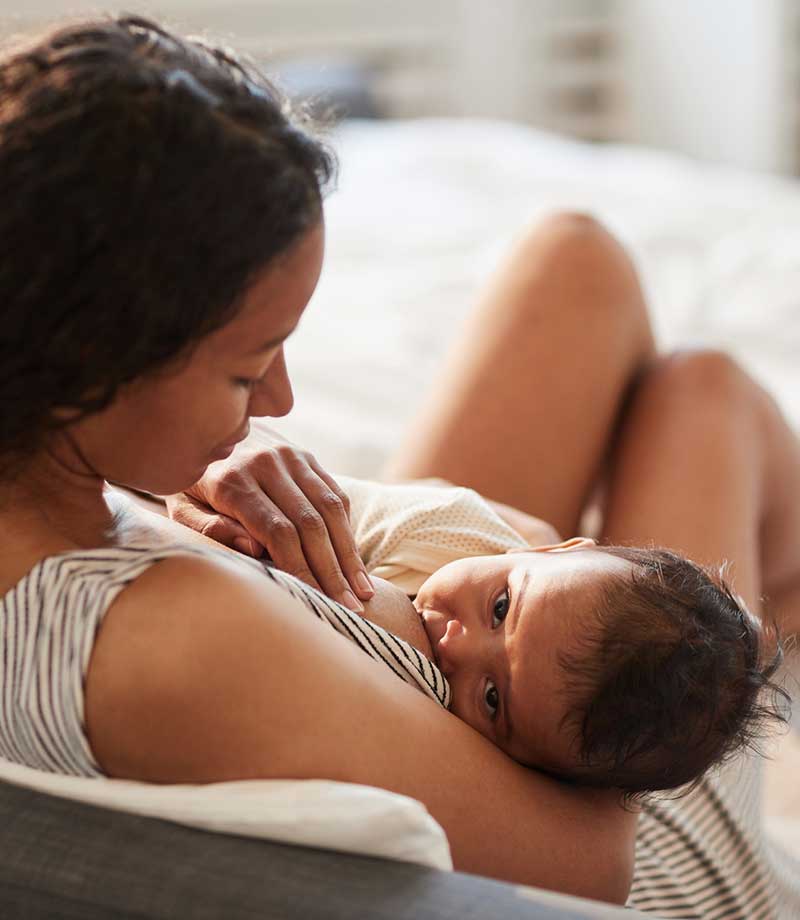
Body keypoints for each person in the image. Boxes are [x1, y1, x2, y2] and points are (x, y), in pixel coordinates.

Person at [0, 14, 798, 917]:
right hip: (634, 808)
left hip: (455, 641)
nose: (279, 402)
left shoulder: (49, 472)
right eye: (245, 367)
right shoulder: (173, 640)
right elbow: (594, 867)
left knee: (578, 261)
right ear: (99, 361)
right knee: (708, 394)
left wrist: (180, 472)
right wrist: (530, 556)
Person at [313, 474, 785, 797]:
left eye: (493, 698)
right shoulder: (446, 527)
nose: (453, 646)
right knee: (706, 380)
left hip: (706, 847)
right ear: (553, 547)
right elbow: (317, 503)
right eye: (500, 608)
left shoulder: (486, 767)